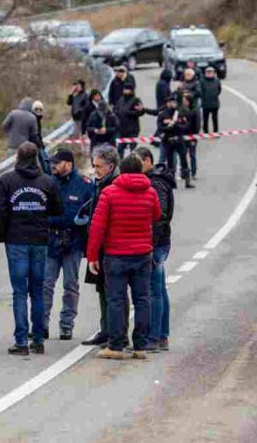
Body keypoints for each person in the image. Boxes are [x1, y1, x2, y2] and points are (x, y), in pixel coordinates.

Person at [87, 154, 161, 360]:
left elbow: (97, 226)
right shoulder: (150, 192)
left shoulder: (109, 193)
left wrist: (92, 255)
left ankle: (117, 346)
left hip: (116, 255)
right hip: (143, 254)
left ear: (121, 170)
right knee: (142, 299)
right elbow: (156, 215)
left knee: (116, 301)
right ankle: (140, 346)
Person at [0, 142, 63, 356]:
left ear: (17, 158)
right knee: (37, 291)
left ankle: (22, 341)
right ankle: (38, 340)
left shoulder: (6, 181)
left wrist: (3, 234)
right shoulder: (47, 181)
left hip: (16, 241)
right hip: (40, 240)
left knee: (20, 292)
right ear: (36, 159)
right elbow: (58, 209)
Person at [42, 149, 93, 341]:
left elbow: (88, 212)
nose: (53, 165)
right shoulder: (48, 182)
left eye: (57, 162)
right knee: (45, 284)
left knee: (70, 285)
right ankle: (42, 324)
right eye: (52, 162)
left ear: (69, 164)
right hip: (51, 241)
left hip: (73, 242)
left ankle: (66, 325)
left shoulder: (84, 185)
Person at [134, 147, 175, 353]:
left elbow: (160, 216)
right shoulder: (156, 180)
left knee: (154, 290)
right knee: (159, 289)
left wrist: (150, 244)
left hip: (156, 243)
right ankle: (162, 335)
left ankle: (155, 337)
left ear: (148, 161)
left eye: (139, 163)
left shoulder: (156, 183)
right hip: (158, 241)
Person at [80, 145, 121, 347]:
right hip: (99, 247)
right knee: (102, 290)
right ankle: (106, 330)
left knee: (113, 292)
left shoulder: (115, 185)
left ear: (110, 165)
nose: (95, 170)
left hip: (112, 248)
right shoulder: (100, 183)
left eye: (99, 166)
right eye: (94, 166)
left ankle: (115, 333)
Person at [158, 94, 193, 189]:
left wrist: (176, 125)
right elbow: (160, 127)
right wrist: (168, 127)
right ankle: (171, 182)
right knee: (170, 163)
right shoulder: (163, 114)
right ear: (167, 103)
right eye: (171, 102)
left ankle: (187, 181)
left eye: (174, 102)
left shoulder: (179, 114)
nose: (173, 104)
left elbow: (186, 126)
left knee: (184, 161)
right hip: (168, 140)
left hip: (179, 140)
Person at [114, 82, 155, 158]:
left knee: (133, 150)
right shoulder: (121, 100)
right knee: (120, 149)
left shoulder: (136, 100)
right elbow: (116, 109)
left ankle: (133, 165)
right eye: (125, 89)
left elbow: (141, 112)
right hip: (122, 129)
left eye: (128, 90)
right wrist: (117, 113)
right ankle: (120, 165)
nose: (126, 91)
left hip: (133, 129)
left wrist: (129, 112)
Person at [180, 90, 201, 180]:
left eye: (184, 100)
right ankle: (184, 173)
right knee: (183, 154)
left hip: (192, 136)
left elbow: (197, 125)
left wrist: (194, 137)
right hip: (183, 136)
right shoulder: (181, 110)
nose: (183, 102)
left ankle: (193, 172)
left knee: (192, 155)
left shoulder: (195, 111)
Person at [200, 67, 222, 134]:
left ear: (213, 73)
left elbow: (219, 90)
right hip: (205, 104)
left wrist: (214, 94)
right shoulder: (202, 81)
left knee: (215, 119)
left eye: (211, 72)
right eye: (208, 72)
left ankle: (215, 132)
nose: (209, 73)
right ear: (205, 73)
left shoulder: (217, 80)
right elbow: (200, 91)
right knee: (205, 119)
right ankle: (205, 132)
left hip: (214, 103)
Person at [32, 100, 51, 175]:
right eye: (36, 109)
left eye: (40, 109)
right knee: (44, 161)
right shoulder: (34, 119)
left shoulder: (38, 119)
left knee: (45, 160)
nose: (38, 111)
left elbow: (39, 134)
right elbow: (35, 134)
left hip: (39, 144)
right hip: (36, 144)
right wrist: (40, 144)